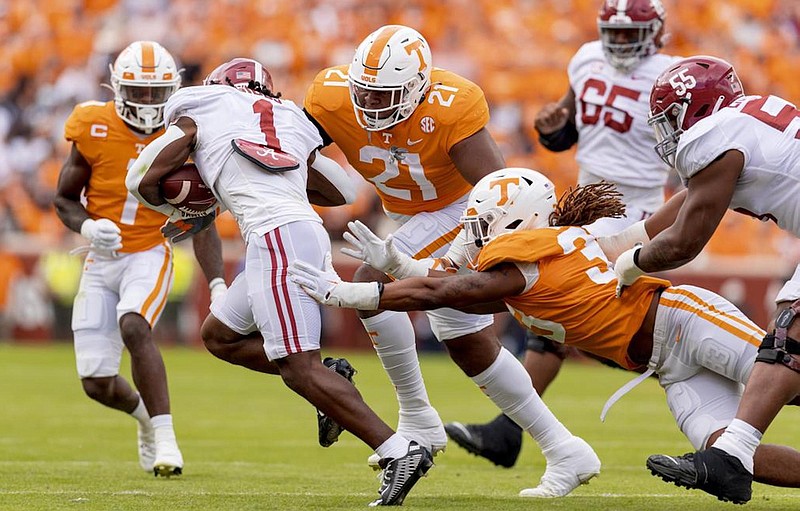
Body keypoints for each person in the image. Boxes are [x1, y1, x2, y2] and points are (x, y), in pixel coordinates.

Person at [288, 167, 800, 498]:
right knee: (729, 452)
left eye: (490, 222)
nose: (479, 233)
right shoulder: (550, 255)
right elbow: (457, 287)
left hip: (682, 321)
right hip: (662, 366)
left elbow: (443, 292)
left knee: (788, 377)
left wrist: (361, 295)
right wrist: (400, 263)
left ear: (522, 222)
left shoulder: (530, 257)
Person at [125, 57, 432, 506]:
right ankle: (331, 380)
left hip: (276, 237)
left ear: (219, 84)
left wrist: (184, 207)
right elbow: (344, 192)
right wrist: (274, 174)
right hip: (296, 233)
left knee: (296, 367)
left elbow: (139, 178)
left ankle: (398, 451)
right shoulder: (289, 116)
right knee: (221, 335)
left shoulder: (202, 103)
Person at [445, 0, 681, 469]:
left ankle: (510, 429)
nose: (617, 43)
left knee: (592, 319)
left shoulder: (672, 75)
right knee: (553, 311)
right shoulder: (587, 57)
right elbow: (565, 129)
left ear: (654, 32)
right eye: (611, 33)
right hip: (586, 201)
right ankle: (510, 430)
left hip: (639, 206)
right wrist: (553, 127)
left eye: (627, 34)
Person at [302, 24, 508, 468]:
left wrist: (476, 250)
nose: (370, 103)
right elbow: (293, 154)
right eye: (365, 92)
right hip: (408, 213)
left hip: (462, 208)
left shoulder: (452, 104)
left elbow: (496, 189)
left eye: (384, 95)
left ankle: (415, 417)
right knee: (469, 343)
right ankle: (563, 447)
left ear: (417, 88)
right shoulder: (329, 95)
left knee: (369, 279)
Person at [611, 55, 800, 504]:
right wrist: (621, 243)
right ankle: (731, 457)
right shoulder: (742, 124)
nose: (670, 131)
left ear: (697, 108)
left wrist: (631, 264)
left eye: (673, 117)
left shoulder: (713, 134)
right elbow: (686, 204)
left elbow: (684, 243)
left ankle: (731, 457)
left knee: (788, 337)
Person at [53, 41, 227, 477]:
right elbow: (64, 199)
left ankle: (167, 438)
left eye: (156, 92)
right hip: (101, 257)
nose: (148, 102)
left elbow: (203, 217)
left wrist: (218, 282)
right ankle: (146, 419)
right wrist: (89, 227)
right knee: (96, 382)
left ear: (173, 89)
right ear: (116, 87)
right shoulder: (91, 123)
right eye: (138, 91)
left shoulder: (189, 134)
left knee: (134, 323)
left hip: (150, 250)